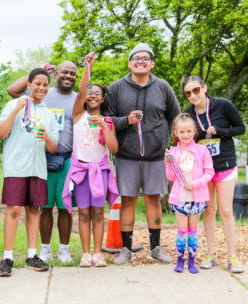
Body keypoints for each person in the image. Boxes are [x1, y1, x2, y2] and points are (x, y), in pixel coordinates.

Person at [104, 42, 181, 264]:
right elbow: (108, 120)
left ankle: (155, 248)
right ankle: (126, 249)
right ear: (129, 63)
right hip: (126, 155)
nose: (140, 61)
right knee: (127, 201)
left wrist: (171, 145)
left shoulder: (163, 86)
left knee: (153, 200)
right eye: (136, 58)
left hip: (155, 156)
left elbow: (175, 117)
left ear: (152, 63)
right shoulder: (116, 87)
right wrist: (125, 120)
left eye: (145, 58)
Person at [7, 61, 78, 263]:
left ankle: (64, 249)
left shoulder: (77, 98)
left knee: (65, 207)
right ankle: (44, 248)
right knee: (43, 206)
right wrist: (38, 70)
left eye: (73, 73)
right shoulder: (44, 92)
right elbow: (12, 91)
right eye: (64, 72)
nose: (68, 76)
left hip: (66, 158)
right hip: (42, 158)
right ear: (56, 75)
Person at [0, 68, 59, 277]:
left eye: (45, 84)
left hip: (37, 169)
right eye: (37, 84)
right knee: (14, 210)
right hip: (15, 167)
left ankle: (32, 255)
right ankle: (7, 257)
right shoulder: (13, 105)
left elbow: (53, 147)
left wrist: (46, 138)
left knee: (34, 210)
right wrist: (16, 110)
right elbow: (0, 134)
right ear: (29, 84)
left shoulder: (48, 114)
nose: (41, 88)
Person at [61, 53, 119, 267]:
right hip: (81, 171)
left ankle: (98, 253)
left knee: (98, 213)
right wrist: (88, 67)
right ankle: (86, 254)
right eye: (90, 93)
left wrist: (104, 126)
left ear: (103, 99)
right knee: (83, 213)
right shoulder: (78, 115)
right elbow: (82, 91)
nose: (93, 96)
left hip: (100, 172)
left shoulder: (108, 120)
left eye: (98, 94)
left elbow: (113, 148)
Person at [183, 76, 245, 273]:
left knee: (226, 210)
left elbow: (240, 129)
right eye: (188, 93)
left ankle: (232, 256)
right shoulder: (188, 114)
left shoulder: (223, 105)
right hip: (203, 169)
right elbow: (183, 137)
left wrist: (220, 131)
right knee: (208, 210)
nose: (193, 95)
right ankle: (211, 253)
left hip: (225, 164)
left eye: (196, 90)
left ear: (204, 88)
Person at [165, 114, 214, 273]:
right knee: (181, 231)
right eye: (182, 132)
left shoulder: (202, 150)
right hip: (179, 198)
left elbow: (209, 172)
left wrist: (195, 184)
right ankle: (180, 261)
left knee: (193, 230)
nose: (185, 135)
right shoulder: (174, 152)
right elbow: (171, 177)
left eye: (188, 131)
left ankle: (191, 262)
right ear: (176, 133)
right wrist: (168, 163)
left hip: (196, 197)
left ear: (194, 131)